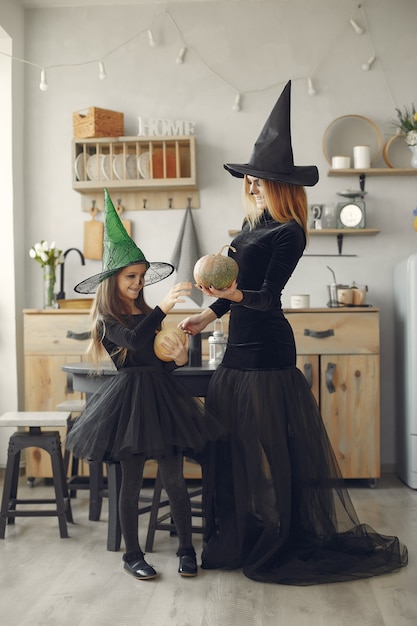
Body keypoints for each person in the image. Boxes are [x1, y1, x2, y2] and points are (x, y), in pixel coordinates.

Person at [180, 80, 408, 585]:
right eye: (250, 180)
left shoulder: (290, 232)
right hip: (236, 351)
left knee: (272, 449)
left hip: (267, 353)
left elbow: (264, 297)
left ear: (282, 185)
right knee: (234, 449)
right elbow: (235, 292)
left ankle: (285, 535)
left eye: (260, 180)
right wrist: (207, 317)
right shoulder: (248, 225)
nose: (253, 186)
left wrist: (232, 300)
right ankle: (241, 533)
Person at [66, 190, 224, 581]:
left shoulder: (146, 313)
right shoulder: (107, 320)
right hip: (128, 407)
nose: (137, 284)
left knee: (174, 478)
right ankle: (132, 554)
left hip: (162, 401)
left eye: (140, 278)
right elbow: (135, 342)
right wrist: (165, 308)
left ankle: (187, 549)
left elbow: (157, 361)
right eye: (130, 278)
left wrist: (179, 358)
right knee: (132, 481)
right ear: (113, 281)